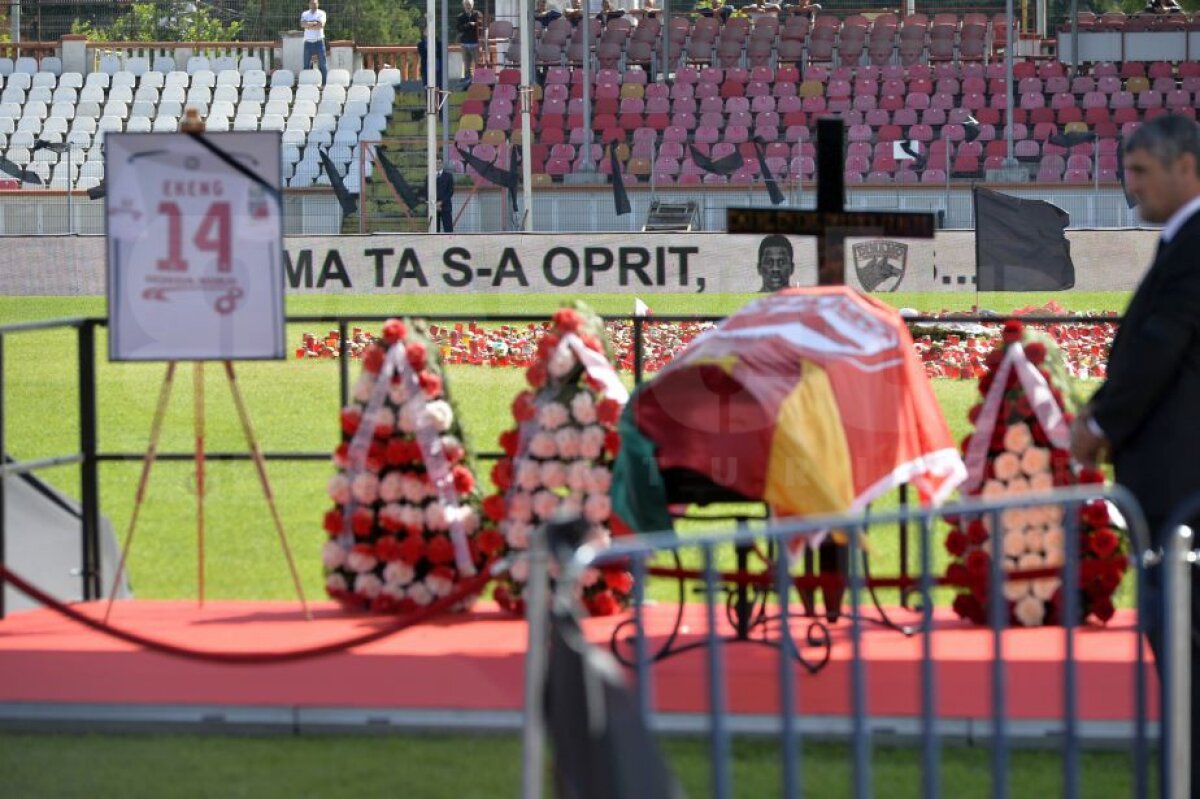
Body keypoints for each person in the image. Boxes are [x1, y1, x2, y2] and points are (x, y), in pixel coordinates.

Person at [1069, 113, 1200, 795]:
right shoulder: (1181, 241)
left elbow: (1161, 347)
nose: (1130, 186)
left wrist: (1099, 424)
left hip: (1182, 492)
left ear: (1186, 167)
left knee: (1185, 659)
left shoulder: (1194, 242)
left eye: (1142, 171)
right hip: (1173, 485)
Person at [300, 0, 327, 84]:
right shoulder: (304, 14)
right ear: (309, 4)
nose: (314, 5)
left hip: (319, 42)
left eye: (315, 3)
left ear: (318, 4)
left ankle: (324, 85)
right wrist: (315, 23)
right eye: (312, 3)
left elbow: (321, 25)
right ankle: (306, 84)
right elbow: (302, 24)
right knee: (306, 65)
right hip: (307, 43)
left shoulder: (322, 13)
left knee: (323, 65)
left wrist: (308, 25)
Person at [457, 0, 484, 82]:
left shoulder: (477, 14)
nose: (468, 6)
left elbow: (482, 24)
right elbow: (459, 28)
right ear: (463, 6)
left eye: (469, 4)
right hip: (465, 44)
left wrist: (475, 24)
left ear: (473, 5)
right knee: (467, 65)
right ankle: (468, 81)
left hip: (476, 43)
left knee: (478, 63)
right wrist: (469, 25)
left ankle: (480, 80)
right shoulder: (460, 16)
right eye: (466, 5)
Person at [416, 18, 443, 91]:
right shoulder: (421, 45)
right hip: (426, 70)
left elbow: (440, 54)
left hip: (438, 70)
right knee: (427, 90)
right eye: (427, 31)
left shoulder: (439, 44)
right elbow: (424, 55)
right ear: (424, 33)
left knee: (439, 90)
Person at [436, 159, 455, 232]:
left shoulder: (448, 176)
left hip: (446, 206)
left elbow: (450, 192)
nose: (437, 164)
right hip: (433, 207)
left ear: (442, 164)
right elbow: (426, 190)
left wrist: (441, 202)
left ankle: (450, 243)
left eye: (439, 162)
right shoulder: (430, 176)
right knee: (434, 231)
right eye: (436, 163)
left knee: (448, 230)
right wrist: (435, 203)